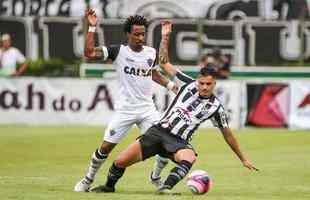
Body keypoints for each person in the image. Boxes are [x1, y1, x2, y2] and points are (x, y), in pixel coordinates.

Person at [89, 20, 258, 194]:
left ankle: (165, 187)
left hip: (179, 142)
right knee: (119, 162)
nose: (205, 87)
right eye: (202, 83)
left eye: (209, 84)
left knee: (189, 157)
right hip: (158, 131)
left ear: (215, 83)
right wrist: (165, 36)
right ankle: (109, 187)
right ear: (197, 80)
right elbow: (163, 63)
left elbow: (228, 135)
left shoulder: (216, 107)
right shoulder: (187, 83)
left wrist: (243, 159)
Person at [74, 9, 177, 192]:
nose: (140, 38)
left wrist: (171, 86)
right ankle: (88, 180)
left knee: (166, 145)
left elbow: (153, 73)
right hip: (125, 110)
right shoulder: (117, 51)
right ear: (128, 34)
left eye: (143, 34)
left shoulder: (150, 52)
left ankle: (156, 178)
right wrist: (91, 27)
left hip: (147, 110)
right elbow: (89, 52)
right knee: (105, 148)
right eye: (136, 34)